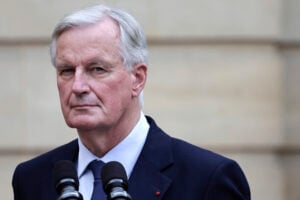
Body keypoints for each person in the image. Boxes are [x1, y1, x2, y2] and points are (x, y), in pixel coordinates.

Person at [12, 4, 251, 200]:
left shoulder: (207, 178)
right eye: (66, 70)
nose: (78, 86)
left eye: (97, 69)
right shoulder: (32, 178)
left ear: (137, 78)